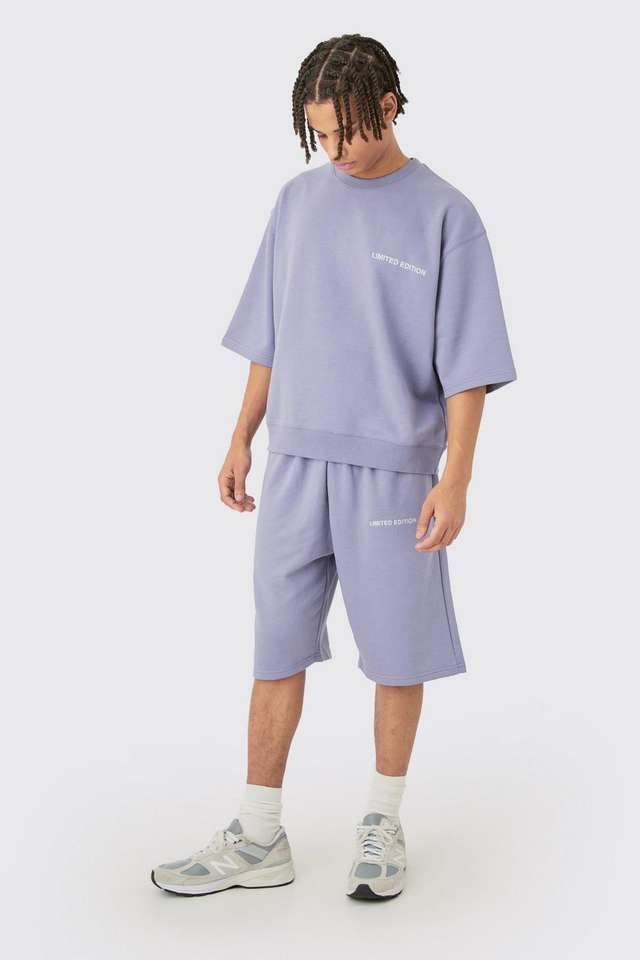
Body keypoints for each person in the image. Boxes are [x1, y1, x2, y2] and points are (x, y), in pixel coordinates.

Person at [151, 32, 517, 902]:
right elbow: (269, 336)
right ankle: (258, 835)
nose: (334, 150)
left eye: (346, 131)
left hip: (393, 472)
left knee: (396, 652)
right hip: (294, 464)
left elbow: (468, 369)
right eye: (319, 135)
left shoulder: (447, 215)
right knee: (275, 644)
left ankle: (382, 823)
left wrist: (457, 478)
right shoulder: (297, 202)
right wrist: (241, 436)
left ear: (388, 106)